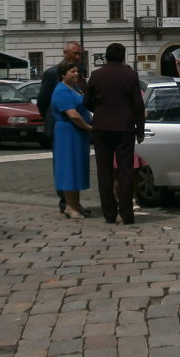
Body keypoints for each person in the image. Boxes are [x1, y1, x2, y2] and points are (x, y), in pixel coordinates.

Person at [85, 43, 145, 225]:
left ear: (106, 57)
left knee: (104, 172)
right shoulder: (130, 75)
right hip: (124, 127)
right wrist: (140, 129)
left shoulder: (96, 75)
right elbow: (138, 105)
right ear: (123, 56)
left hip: (102, 126)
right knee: (126, 171)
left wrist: (101, 109)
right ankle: (127, 213)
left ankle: (109, 214)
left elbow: (86, 102)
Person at [38, 41, 85, 215]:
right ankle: (66, 203)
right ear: (65, 53)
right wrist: (53, 119)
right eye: (75, 53)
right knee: (65, 165)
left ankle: (75, 203)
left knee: (75, 166)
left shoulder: (80, 73)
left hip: (76, 128)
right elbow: (43, 101)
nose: (78, 57)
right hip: (62, 125)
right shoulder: (53, 73)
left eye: (80, 54)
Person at [50, 61, 93, 218]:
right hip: (68, 132)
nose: (76, 74)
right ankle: (69, 206)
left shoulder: (75, 88)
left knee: (77, 168)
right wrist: (89, 128)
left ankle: (76, 204)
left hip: (78, 133)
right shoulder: (61, 90)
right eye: (72, 71)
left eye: (77, 71)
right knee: (68, 168)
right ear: (63, 74)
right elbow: (72, 114)